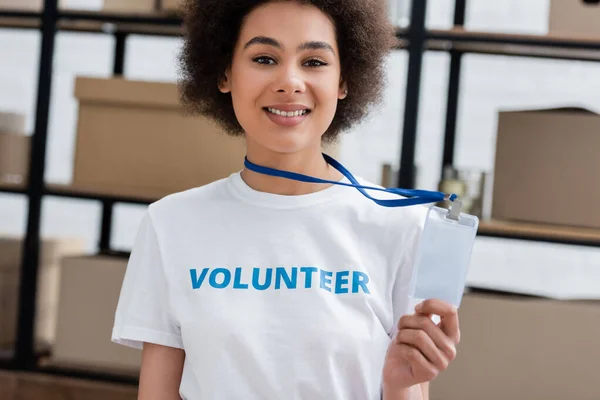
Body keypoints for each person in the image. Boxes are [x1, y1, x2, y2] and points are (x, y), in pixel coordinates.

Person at [111, 0, 461, 399]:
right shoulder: (170, 223)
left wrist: (399, 385)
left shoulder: (402, 227)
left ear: (344, 81)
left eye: (314, 62)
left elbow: (410, 388)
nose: (290, 81)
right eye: (264, 58)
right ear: (225, 73)